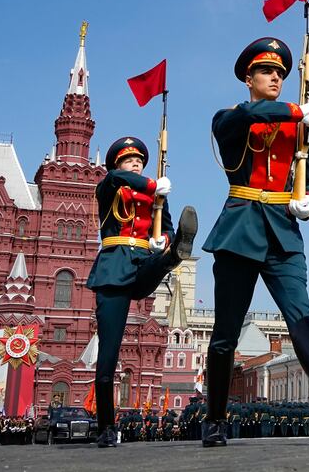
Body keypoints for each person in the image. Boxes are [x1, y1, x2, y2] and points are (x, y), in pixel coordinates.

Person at [201, 37, 309, 447]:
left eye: (280, 73)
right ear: (249, 78)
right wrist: (296, 111)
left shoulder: (297, 131)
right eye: (266, 71)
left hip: (282, 232)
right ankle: (215, 417)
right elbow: (246, 118)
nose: (275, 77)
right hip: (240, 230)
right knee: (225, 333)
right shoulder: (230, 118)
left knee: (300, 310)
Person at [86, 136, 198, 448]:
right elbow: (115, 177)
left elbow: (169, 226)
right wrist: (151, 185)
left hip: (144, 265)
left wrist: (165, 238)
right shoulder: (110, 187)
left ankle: (173, 255)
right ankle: (106, 427)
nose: (136, 163)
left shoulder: (156, 198)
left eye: (140, 160)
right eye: (129, 160)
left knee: (167, 254)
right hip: (113, 270)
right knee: (109, 356)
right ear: (118, 164)